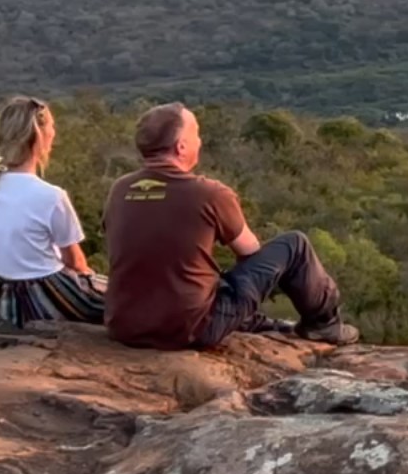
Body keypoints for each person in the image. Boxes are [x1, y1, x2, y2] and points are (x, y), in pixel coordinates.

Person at [102, 103, 357, 350]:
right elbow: (250, 252)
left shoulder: (119, 189)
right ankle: (325, 324)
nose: (200, 142)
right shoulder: (209, 193)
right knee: (295, 245)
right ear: (181, 147)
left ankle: (250, 321)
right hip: (189, 330)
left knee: (203, 278)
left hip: (125, 327)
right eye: (196, 134)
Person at [0, 97, 107, 325]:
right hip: (45, 293)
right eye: (51, 126)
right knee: (120, 298)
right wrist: (89, 280)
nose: (54, 131)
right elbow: (75, 261)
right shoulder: (51, 195)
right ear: (39, 135)